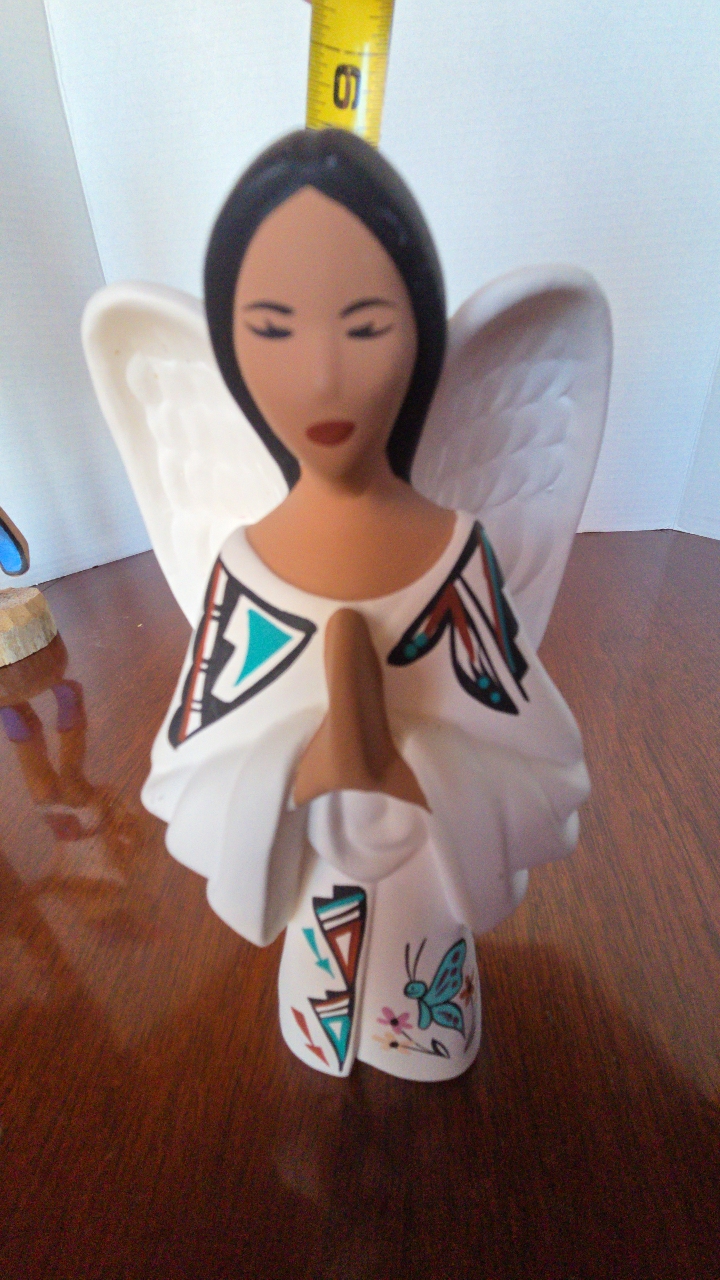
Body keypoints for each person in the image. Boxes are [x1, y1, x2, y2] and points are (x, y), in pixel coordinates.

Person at [143, 129, 589, 1081]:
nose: (322, 376)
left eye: (364, 325)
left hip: (428, 909)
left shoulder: (456, 556)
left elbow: (545, 763)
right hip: (315, 917)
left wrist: (413, 767)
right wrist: (299, 767)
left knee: (428, 1024)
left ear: (419, 331)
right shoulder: (244, 570)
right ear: (229, 346)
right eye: (273, 329)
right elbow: (184, 772)